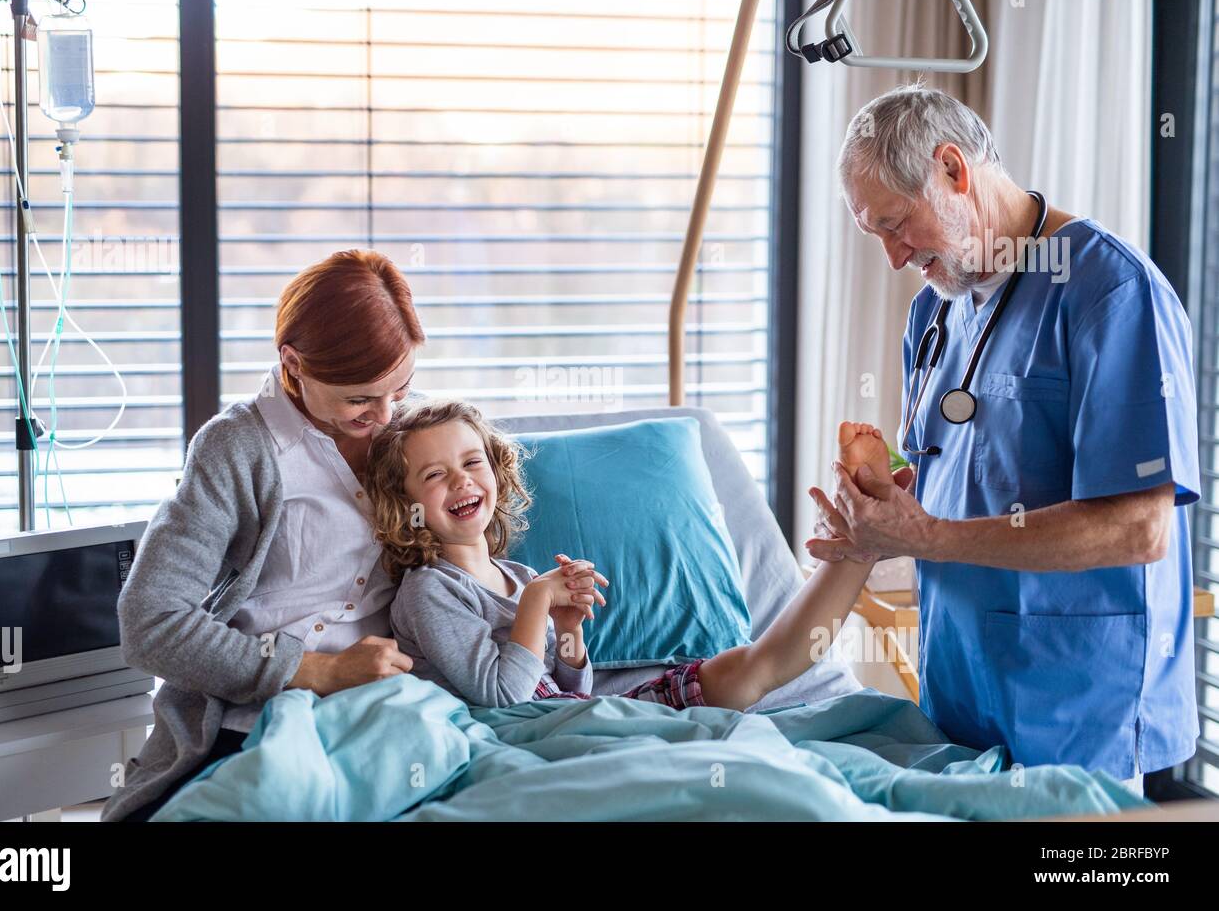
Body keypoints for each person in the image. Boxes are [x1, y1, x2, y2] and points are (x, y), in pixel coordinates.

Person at [103, 249, 593, 822]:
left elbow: (472, 571)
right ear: (293, 363)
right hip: (260, 715)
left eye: (400, 390)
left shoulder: (406, 441)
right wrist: (320, 671)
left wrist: (558, 641)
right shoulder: (237, 450)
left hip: (405, 712)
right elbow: (150, 624)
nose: (385, 417)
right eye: (359, 398)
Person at [807, 85, 1200, 794]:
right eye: (877, 238)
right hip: (961, 702)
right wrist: (876, 513)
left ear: (953, 170)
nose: (894, 259)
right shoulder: (935, 312)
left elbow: (1139, 529)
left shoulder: (1111, 292)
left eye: (898, 226)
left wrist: (925, 535)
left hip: (1081, 716)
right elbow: (962, 471)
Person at [364, 398, 881, 711]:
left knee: (743, 672)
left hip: (578, 712)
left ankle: (858, 537)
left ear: (495, 473)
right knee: (750, 675)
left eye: (472, 461)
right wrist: (538, 602)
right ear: (403, 502)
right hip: (535, 733)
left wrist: (569, 632)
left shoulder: (515, 573)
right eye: (434, 475)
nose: (460, 480)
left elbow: (569, 686)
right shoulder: (431, 589)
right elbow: (504, 697)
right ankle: (858, 544)